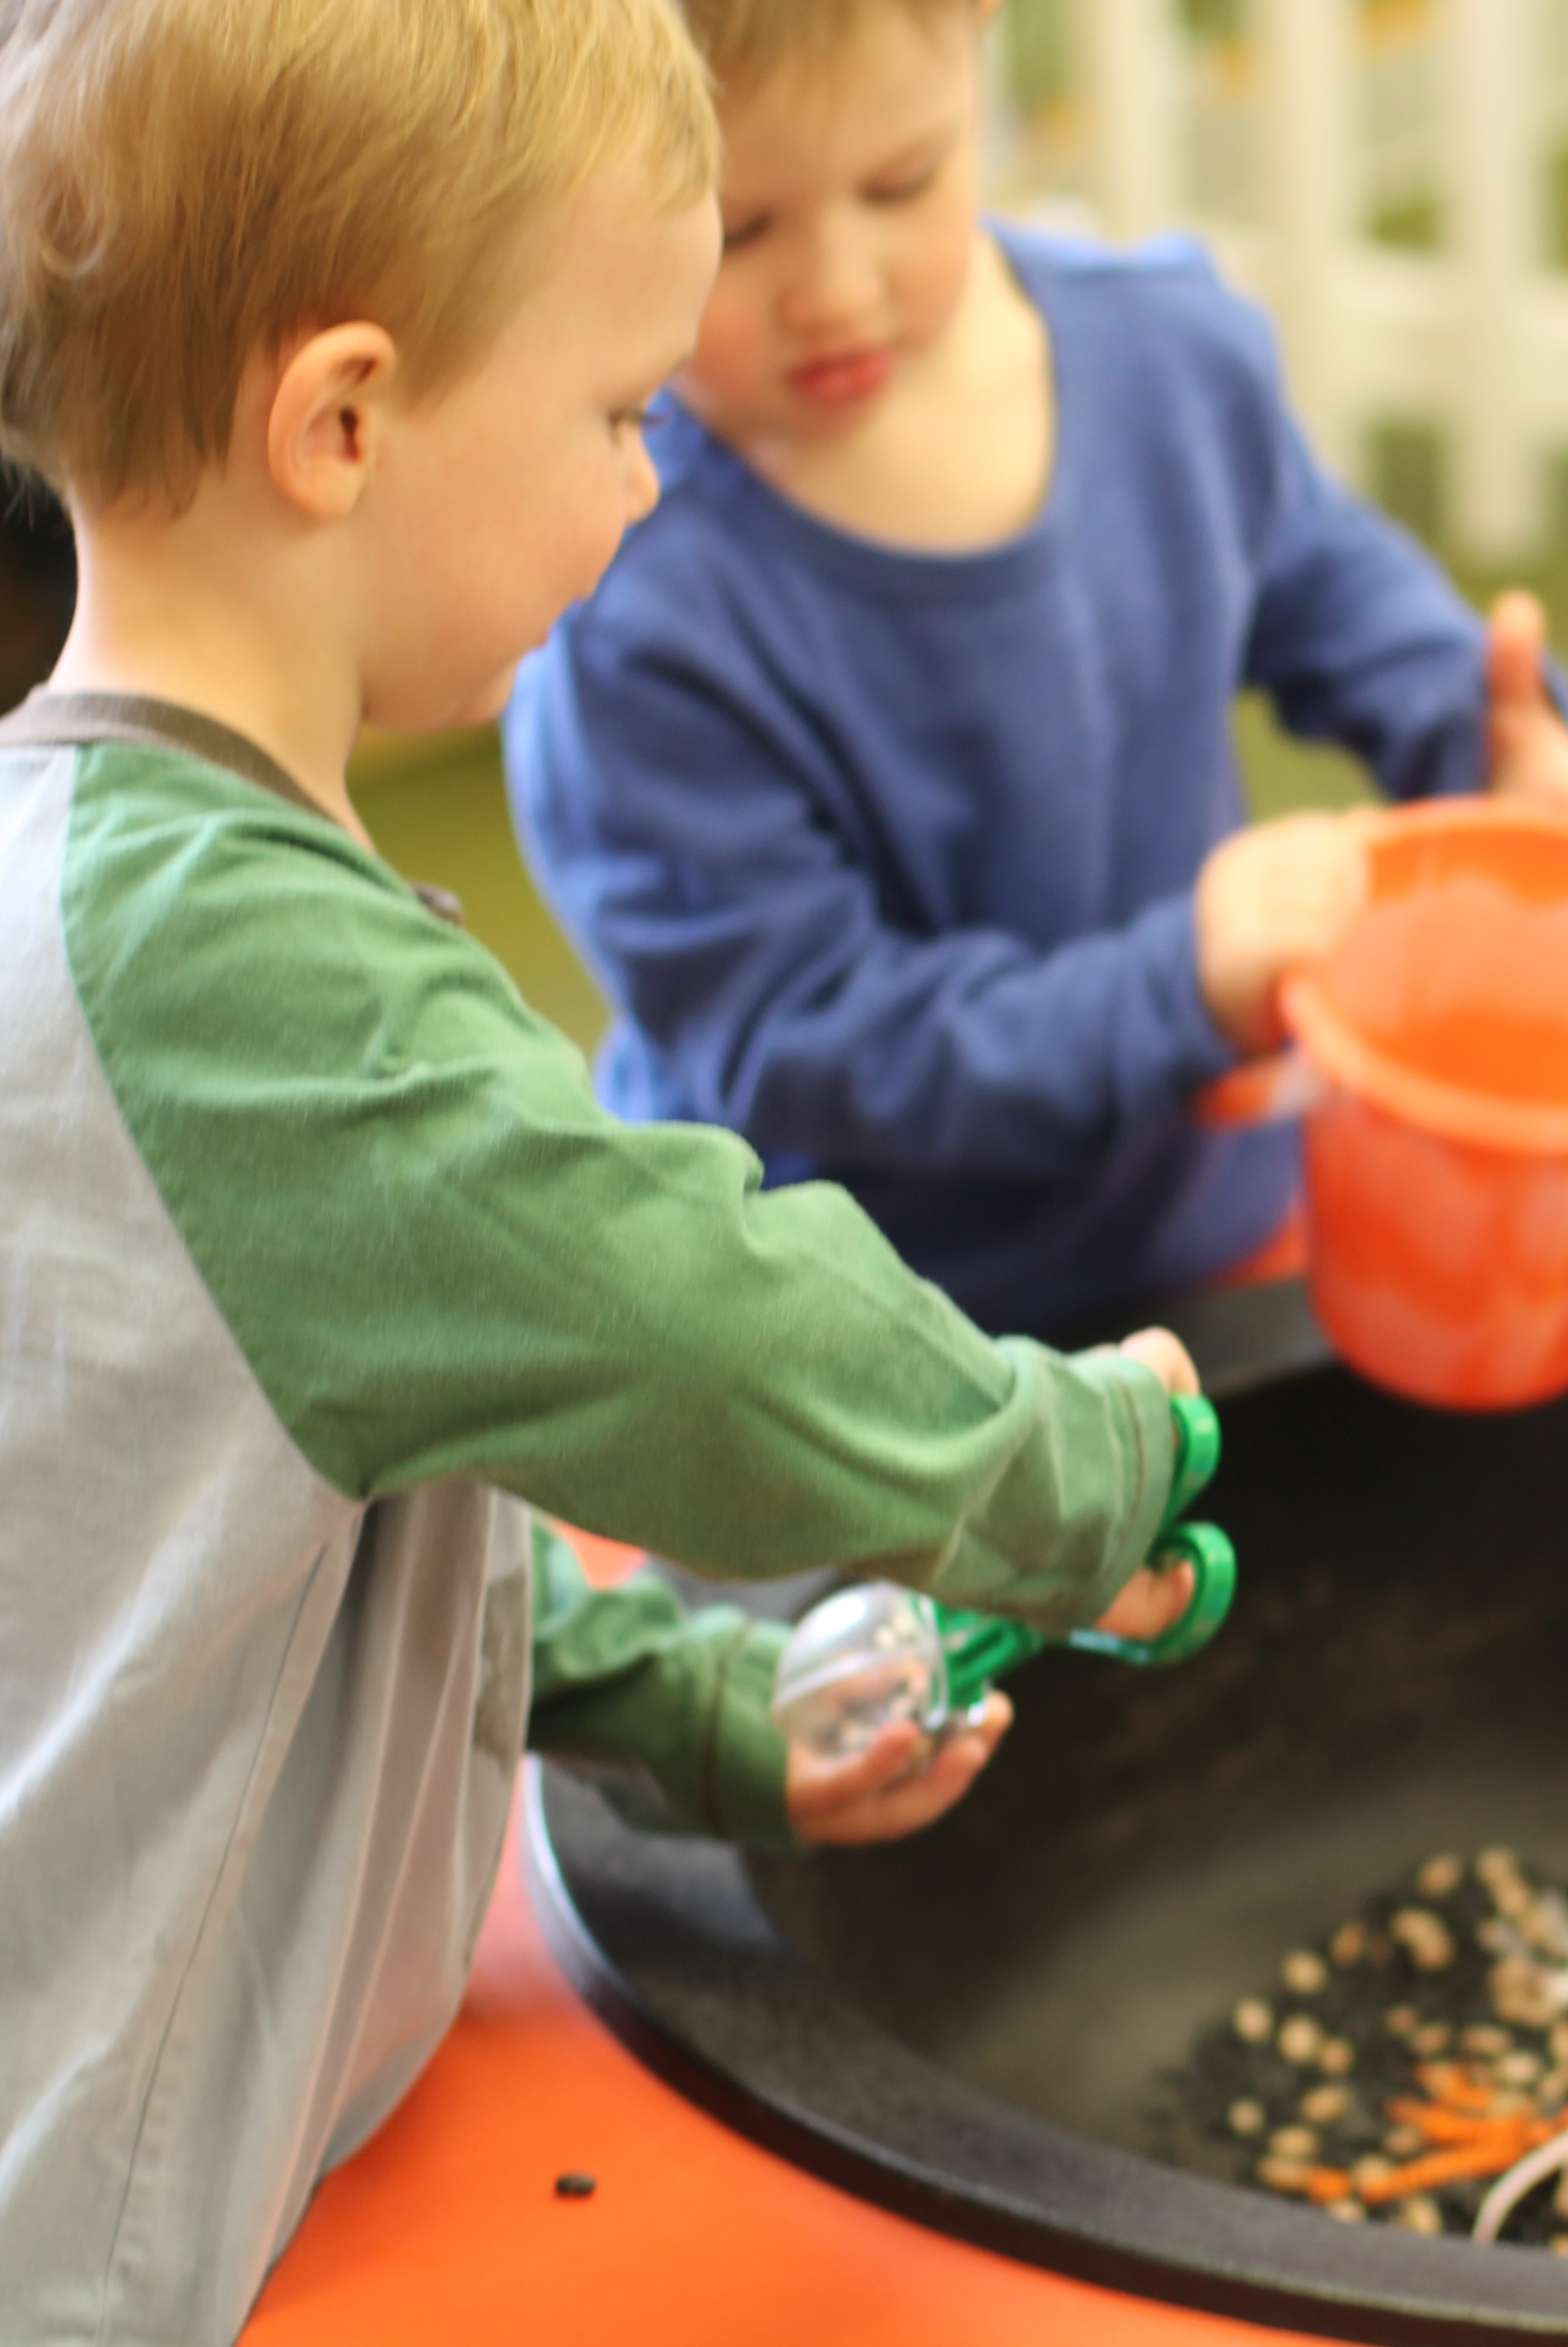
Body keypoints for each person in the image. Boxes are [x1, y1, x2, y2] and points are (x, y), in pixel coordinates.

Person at [0, 2, 1212, 2335]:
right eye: (615, 415)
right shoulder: (256, 982)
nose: (649, 489)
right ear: (344, 423)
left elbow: (262, 1498)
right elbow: (694, 1320)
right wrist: (1064, 1469)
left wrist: (688, 1703)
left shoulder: (80, 866)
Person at [505, 0, 1568, 1342]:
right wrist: (1176, 989)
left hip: (1211, 1234)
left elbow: (1330, 587)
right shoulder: (621, 597)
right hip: (852, 1347)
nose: (837, 289)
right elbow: (802, 1034)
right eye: (739, 230)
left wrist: (1491, 747)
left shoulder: (1167, 356)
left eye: (902, 182)